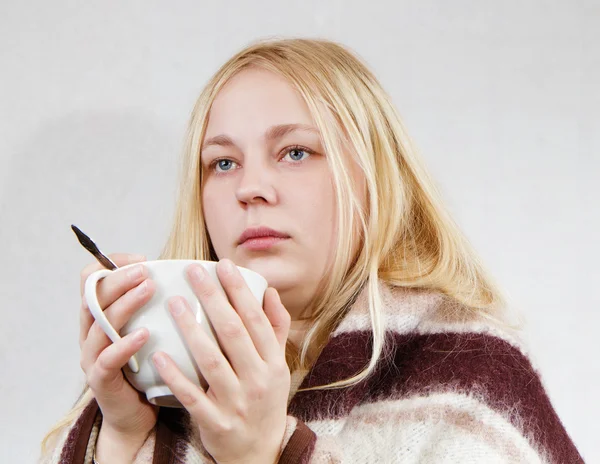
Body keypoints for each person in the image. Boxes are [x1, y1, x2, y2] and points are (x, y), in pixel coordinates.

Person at [39, 38, 583, 464]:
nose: (250, 188)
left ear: (374, 176)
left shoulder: (470, 370)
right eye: (222, 163)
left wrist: (265, 454)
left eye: (295, 152)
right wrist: (122, 436)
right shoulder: (150, 381)